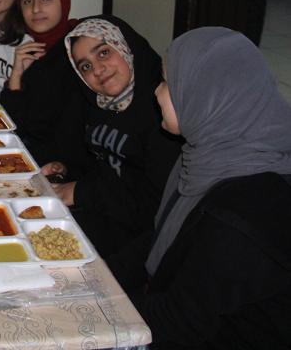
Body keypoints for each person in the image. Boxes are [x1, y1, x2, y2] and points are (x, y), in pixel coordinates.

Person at [122, 27, 291, 348]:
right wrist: (99, 275)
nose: (156, 92)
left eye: (167, 83)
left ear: (209, 96)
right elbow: (165, 242)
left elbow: (180, 323)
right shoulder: (205, 158)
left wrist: (97, 310)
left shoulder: (242, 212)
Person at [52, 15, 182, 257]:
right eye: (85, 66)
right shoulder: (97, 105)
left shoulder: (165, 114)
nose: (97, 70)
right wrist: (65, 169)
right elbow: (99, 166)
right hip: (101, 220)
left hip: (141, 245)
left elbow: (154, 208)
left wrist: (82, 192)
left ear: (125, 47)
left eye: (103, 53)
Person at [0, 0, 82, 165]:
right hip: (30, 156)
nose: (36, 9)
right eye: (27, 1)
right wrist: (17, 76)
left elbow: (65, 136)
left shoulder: (78, 53)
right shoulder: (34, 49)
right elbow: (11, 124)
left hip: (59, 168)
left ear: (64, 1)